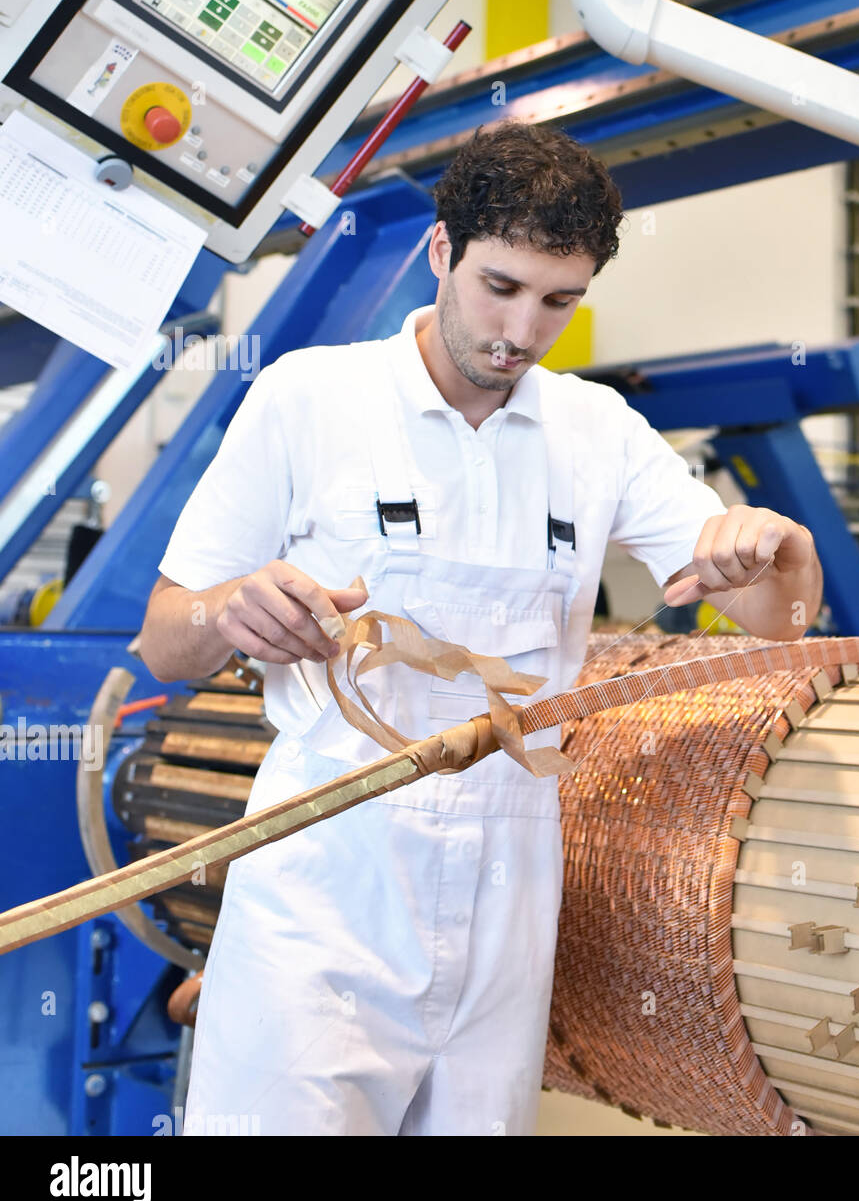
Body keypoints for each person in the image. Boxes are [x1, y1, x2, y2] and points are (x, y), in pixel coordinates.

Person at [138, 120, 824, 1136]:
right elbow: (163, 640)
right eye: (498, 286)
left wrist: (774, 548)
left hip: (508, 881)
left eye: (558, 301)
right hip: (330, 869)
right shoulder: (311, 399)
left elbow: (776, 616)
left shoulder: (593, 433)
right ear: (440, 252)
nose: (521, 328)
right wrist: (227, 611)